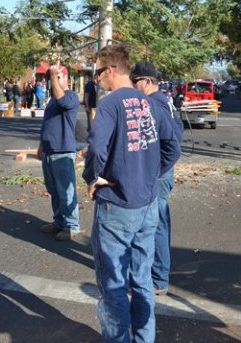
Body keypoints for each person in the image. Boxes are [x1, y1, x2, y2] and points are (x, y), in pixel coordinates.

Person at [83, 45, 181, 343]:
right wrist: (150, 174)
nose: (96, 79)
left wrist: (92, 178)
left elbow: (96, 149)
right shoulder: (150, 102)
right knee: (141, 280)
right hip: (147, 204)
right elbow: (172, 146)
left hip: (118, 206)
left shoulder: (111, 104)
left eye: (98, 72)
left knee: (113, 285)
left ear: (111, 70)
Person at [130, 60, 184, 297]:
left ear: (147, 81)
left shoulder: (152, 104)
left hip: (158, 175)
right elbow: (177, 131)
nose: (132, 85)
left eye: (136, 81)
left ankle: (158, 279)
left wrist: (155, 169)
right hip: (162, 173)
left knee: (156, 225)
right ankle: (155, 275)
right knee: (156, 224)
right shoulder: (164, 101)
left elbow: (173, 146)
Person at [38, 63, 80, 241]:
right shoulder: (52, 101)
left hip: (63, 151)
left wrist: (53, 75)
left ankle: (72, 226)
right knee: (54, 190)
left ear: (66, 79)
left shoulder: (70, 97)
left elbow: (61, 99)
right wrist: (41, 145)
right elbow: (46, 124)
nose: (54, 80)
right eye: (52, 77)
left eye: (58, 77)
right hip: (49, 151)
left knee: (66, 191)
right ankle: (59, 221)